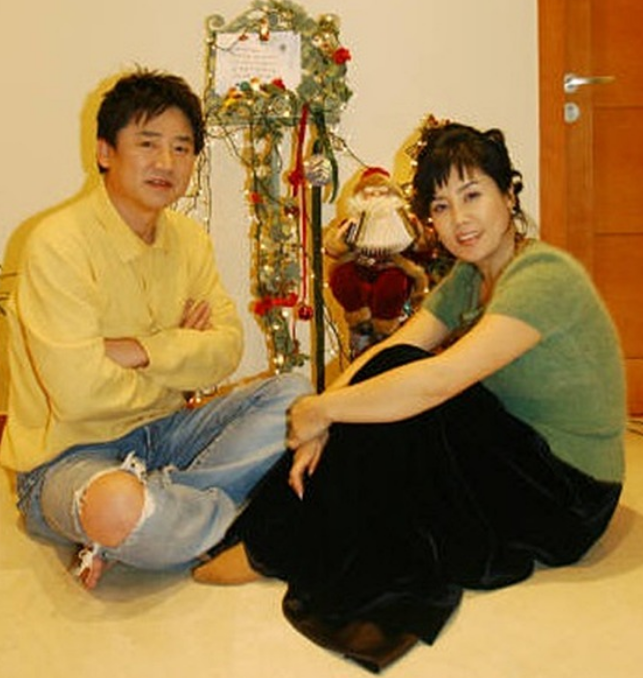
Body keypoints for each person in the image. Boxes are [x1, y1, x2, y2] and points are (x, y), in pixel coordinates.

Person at [194, 118, 626, 671]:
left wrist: (322, 409)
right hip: (520, 455)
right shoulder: (471, 276)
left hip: (568, 495)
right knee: (392, 375)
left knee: (411, 392)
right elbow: (396, 346)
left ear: (509, 194)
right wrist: (321, 418)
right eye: (441, 206)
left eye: (472, 195)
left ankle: (274, 548)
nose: (459, 219)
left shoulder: (543, 276)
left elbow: (440, 379)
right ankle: (275, 536)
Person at [0, 69, 311, 590]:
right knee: (115, 503)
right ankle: (227, 520)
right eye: (148, 143)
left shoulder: (189, 240)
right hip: (68, 457)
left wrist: (140, 351)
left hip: (167, 433)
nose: (166, 162)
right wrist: (179, 358)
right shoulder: (58, 244)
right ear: (105, 151)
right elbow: (77, 395)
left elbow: (227, 349)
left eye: (181, 148)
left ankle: (157, 515)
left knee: (293, 396)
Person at [324, 166, 428, 357]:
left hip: (394, 265)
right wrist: (340, 237)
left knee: (393, 283)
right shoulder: (354, 221)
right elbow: (334, 248)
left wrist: (419, 239)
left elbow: (420, 248)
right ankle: (359, 320)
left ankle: (385, 327)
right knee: (342, 277)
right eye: (370, 193)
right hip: (360, 265)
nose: (377, 197)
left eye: (382, 192)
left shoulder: (405, 220)